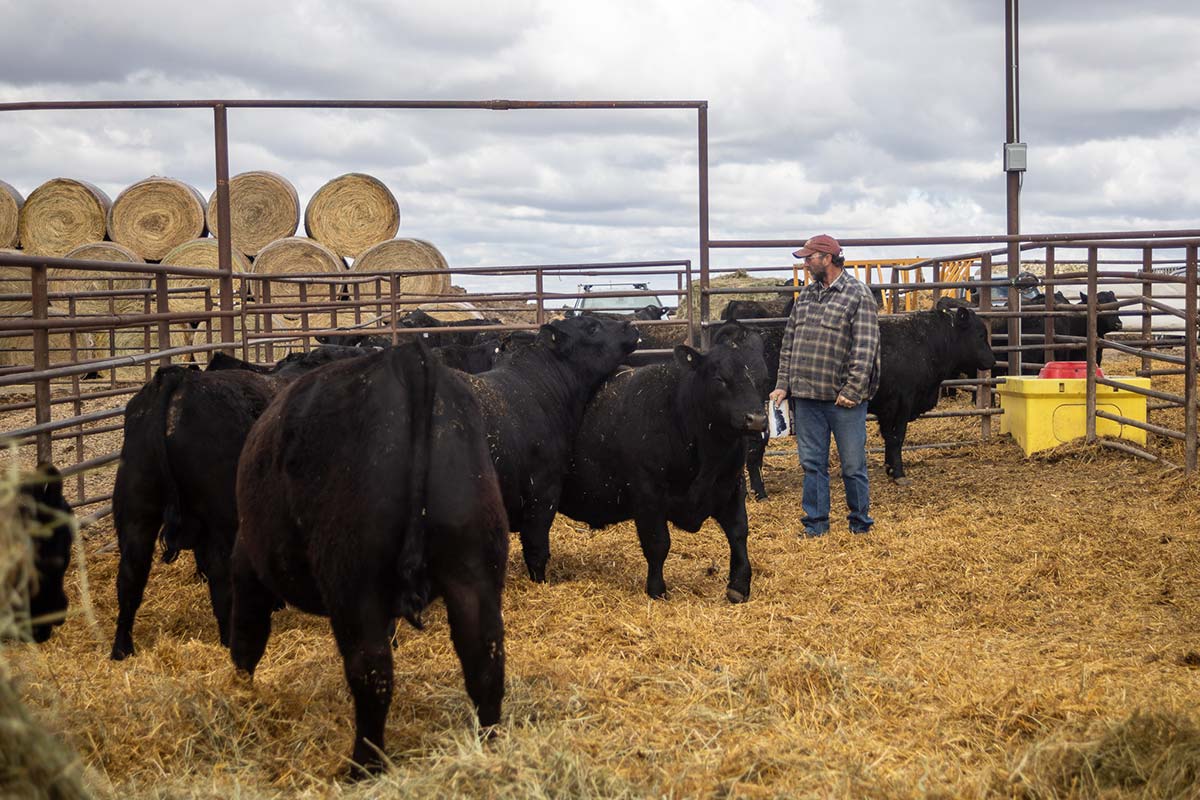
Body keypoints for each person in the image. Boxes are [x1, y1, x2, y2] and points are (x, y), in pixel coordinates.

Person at [769, 234, 880, 537]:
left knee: (853, 465)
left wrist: (853, 390)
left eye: (809, 258)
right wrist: (783, 385)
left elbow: (865, 347)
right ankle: (815, 525)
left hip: (843, 399)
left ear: (827, 258)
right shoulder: (805, 297)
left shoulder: (858, 295)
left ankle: (860, 524)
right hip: (807, 397)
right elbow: (789, 344)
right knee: (812, 464)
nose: (805, 264)